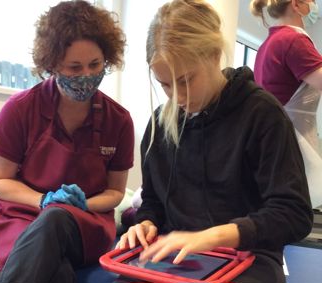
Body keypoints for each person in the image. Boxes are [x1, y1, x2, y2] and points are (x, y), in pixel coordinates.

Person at [118, 0, 313, 282]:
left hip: (249, 256)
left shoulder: (262, 114)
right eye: (165, 84)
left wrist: (217, 236)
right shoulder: (161, 124)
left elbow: (294, 214)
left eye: (185, 80)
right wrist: (146, 222)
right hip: (177, 255)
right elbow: (152, 202)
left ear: (213, 55)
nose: (178, 97)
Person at [0, 1, 134, 282]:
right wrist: (43, 200)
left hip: (84, 224)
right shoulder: (20, 110)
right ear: (52, 63)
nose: (87, 75)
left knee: (56, 219)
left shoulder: (119, 120)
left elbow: (115, 192)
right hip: (23, 219)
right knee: (57, 272)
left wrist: (81, 205)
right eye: (74, 67)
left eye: (95, 64)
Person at [251, 0, 322, 208]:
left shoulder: (269, 43)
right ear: (295, 4)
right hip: (289, 141)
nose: (313, 5)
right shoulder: (293, 40)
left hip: (275, 141)